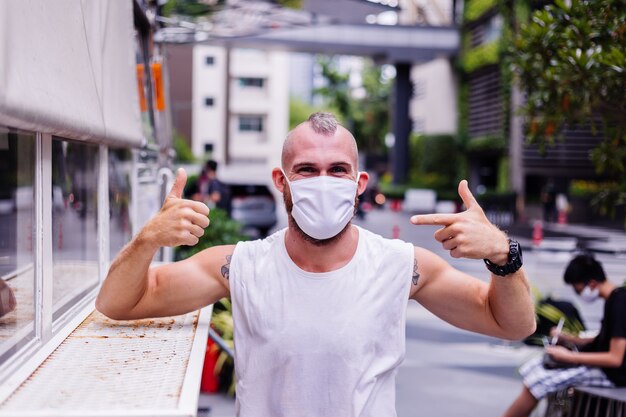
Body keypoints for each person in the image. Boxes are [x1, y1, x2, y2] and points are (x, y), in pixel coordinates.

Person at [96, 112, 535, 416]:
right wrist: (148, 238)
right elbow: (119, 303)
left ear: (359, 183)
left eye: (337, 169)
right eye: (306, 169)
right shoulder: (240, 266)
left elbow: (512, 323)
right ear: (280, 181)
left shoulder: (401, 265)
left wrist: (503, 253)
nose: (323, 182)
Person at [502, 254, 626, 417]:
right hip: (606, 369)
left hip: (612, 375)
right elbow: (605, 339)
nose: (577, 293)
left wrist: (570, 357)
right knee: (536, 370)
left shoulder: (620, 303)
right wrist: (570, 339)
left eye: (578, 289)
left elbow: (615, 358)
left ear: (592, 283)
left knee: (537, 381)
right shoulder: (615, 299)